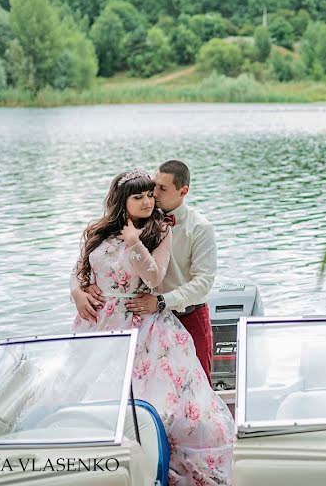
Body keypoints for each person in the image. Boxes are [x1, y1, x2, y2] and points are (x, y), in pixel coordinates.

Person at [69, 169, 233, 486]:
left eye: (150, 194)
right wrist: (77, 291)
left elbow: (155, 278)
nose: (148, 201)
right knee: (94, 392)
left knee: (160, 401)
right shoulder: (96, 230)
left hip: (143, 322)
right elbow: (79, 270)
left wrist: (134, 244)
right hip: (99, 321)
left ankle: (153, 461)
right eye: (139, 196)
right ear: (121, 201)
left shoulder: (158, 232)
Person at [73, 160, 217, 378]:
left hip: (184, 313)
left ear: (183, 191)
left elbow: (203, 283)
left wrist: (160, 301)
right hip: (128, 315)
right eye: (151, 188)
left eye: (160, 189)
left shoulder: (197, 228)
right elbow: (83, 265)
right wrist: (78, 290)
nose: (153, 195)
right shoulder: (132, 220)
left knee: (194, 380)